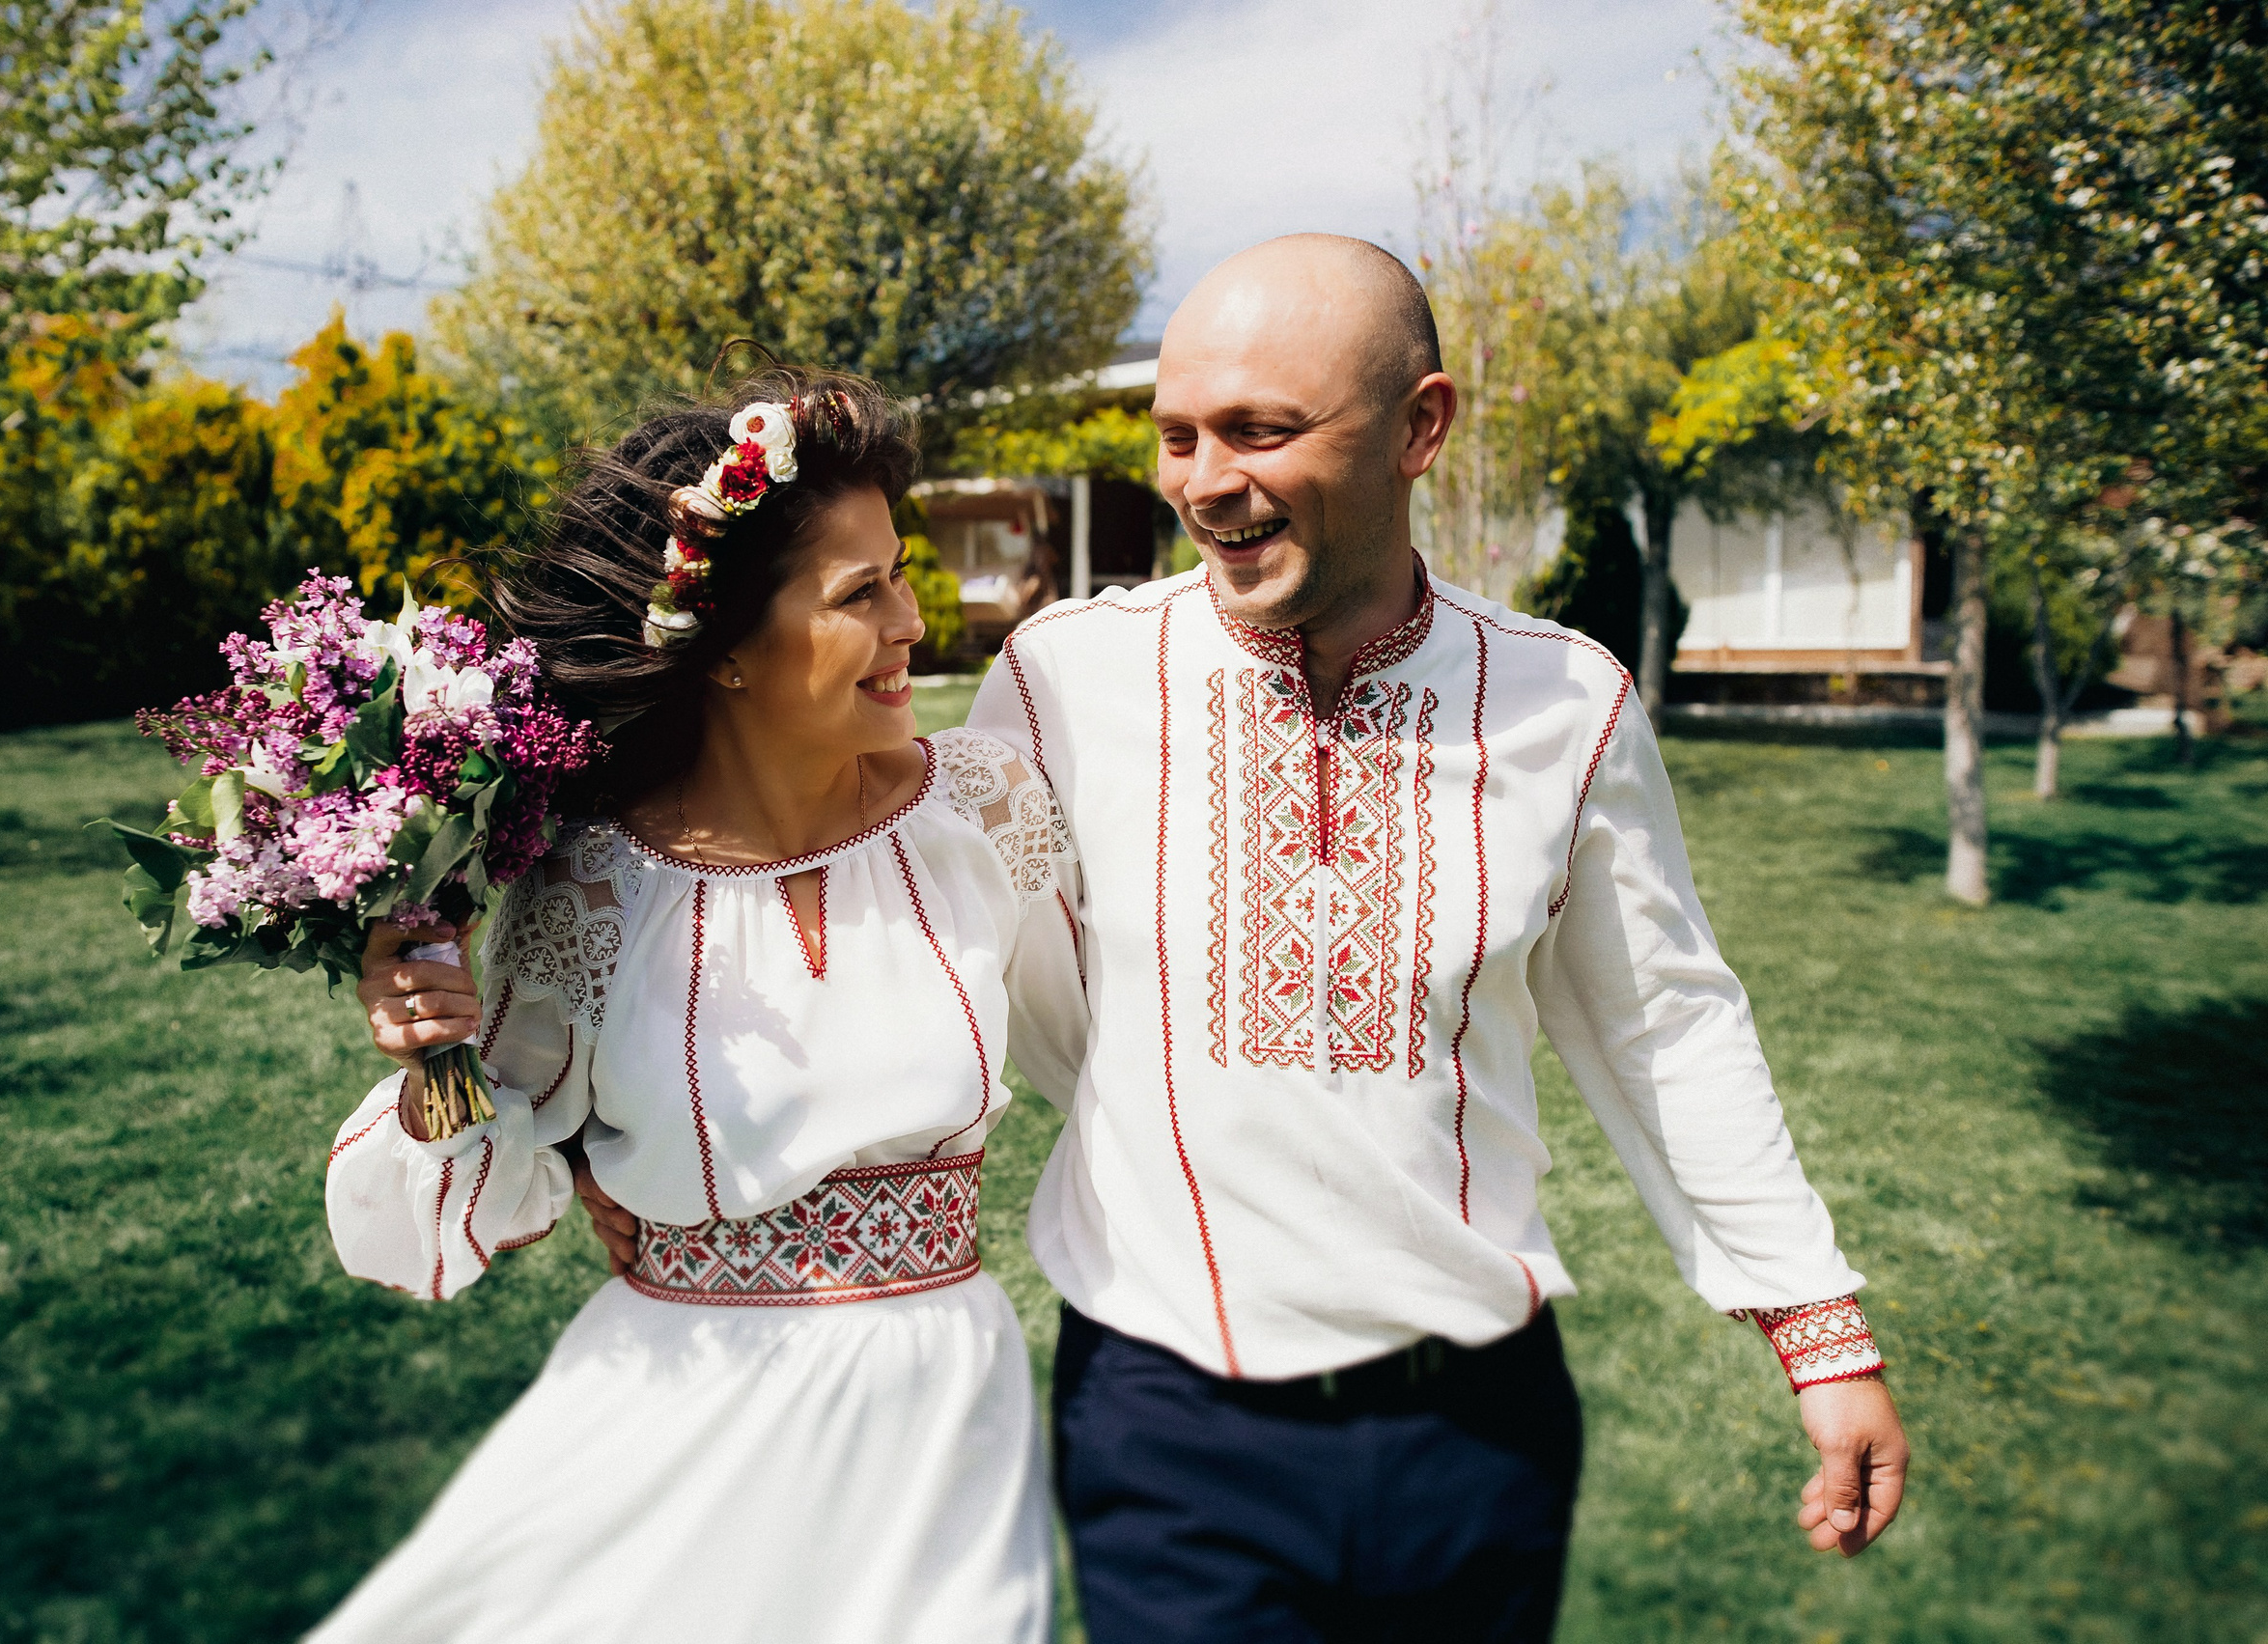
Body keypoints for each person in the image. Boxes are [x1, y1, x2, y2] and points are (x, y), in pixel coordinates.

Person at [957, 235, 1910, 1639]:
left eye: (1261, 430)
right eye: (1178, 436)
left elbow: (1664, 1022)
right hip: (1167, 1433)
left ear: (1423, 427)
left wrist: (1817, 1331)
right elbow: (969, 961)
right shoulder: (1061, 684)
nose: (1205, 480)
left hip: (1480, 1431)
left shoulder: (1565, 703)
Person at [313, 372, 1086, 1643]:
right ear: (725, 647)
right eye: (860, 593)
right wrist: (433, 1052)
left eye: (900, 572)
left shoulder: (985, 814)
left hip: (943, 1416)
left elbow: (1116, 1036)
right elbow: (472, 1208)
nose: (912, 620)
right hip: (677, 1427)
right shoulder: (589, 894)